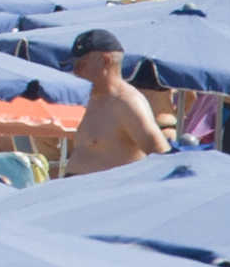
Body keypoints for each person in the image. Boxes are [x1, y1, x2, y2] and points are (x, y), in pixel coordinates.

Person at [62, 29, 169, 176]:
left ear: (105, 61)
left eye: (81, 65)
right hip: (80, 193)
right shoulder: (92, 99)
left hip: (105, 194)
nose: (76, 72)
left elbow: (162, 156)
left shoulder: (127, 103)